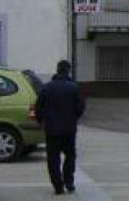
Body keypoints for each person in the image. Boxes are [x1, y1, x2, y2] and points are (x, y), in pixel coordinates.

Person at [34, 60, 85, 195]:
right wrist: (73, 118)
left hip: (51, 129)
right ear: (68, 70)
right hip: (69, 129)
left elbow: (38, 108)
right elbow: (80, 107)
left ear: (57, 70)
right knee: (70, 156)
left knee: (53, 158)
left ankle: (57, 185)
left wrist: (41, 121)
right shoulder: (74, 87)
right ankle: (69, 182)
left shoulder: (46, 87)